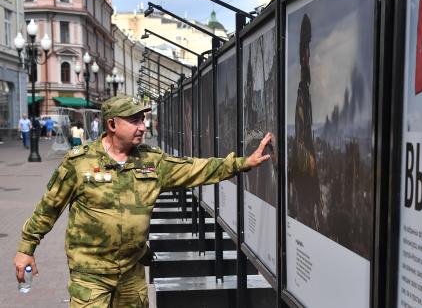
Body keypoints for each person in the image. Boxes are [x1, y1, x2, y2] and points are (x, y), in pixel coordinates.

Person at [14, 95, 272, 308]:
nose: (143, 126)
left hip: (132, 272)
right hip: (90, 275)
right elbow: (48, 208)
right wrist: (26, 249)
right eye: (135, 120)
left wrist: (242, 164)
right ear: (112, 125)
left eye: (143, 119)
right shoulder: (78, 162)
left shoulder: (152, 162)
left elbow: (195, 169)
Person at [292, 14, 321, 230]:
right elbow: (302, 135)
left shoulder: (304, 90)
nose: (309, 55)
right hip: (304, 172)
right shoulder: (302, 91)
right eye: (307, 49)